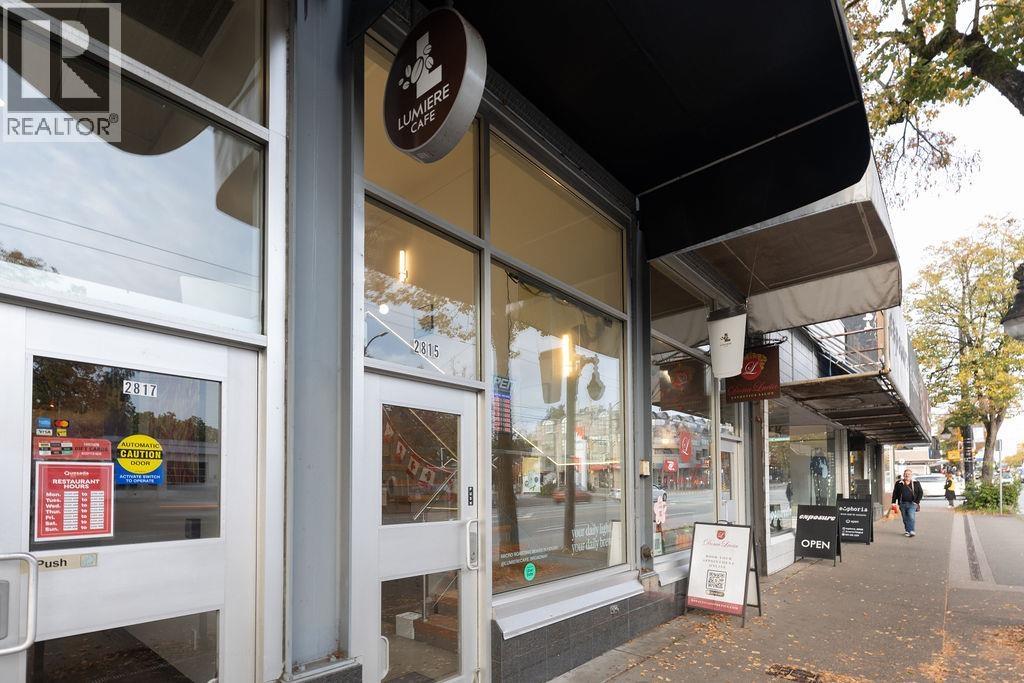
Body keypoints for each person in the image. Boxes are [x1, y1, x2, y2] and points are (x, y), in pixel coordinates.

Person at [891, 469, 923, 537]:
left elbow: (920, 493)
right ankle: (907, 531)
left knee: (911, 517)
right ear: (903, 475)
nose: (907, 475)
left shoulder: (916, 483)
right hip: (902, 503)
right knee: (905, 518)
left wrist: (916, 502)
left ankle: (911, 531)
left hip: (912, 504)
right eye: (906, 474)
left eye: (908, 474)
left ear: (911, 475)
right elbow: (895, 493)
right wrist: (893, 502)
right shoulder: (899, 483)